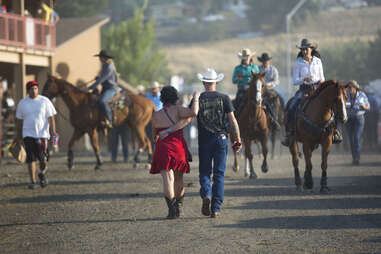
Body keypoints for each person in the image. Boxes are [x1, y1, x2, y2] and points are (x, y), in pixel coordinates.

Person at [197, 68, 242, 218]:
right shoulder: (225, 97)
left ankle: (206, 195)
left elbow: (190, 115)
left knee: (204, 172)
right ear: (216, 82)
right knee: (219, 174)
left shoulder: (199, 98)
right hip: (221, 139)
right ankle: (216, 208)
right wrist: (238, 139)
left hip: (204, 140)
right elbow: (233, 121)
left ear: (204, 82)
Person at [150, 86, 200, 219]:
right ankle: (179, 207)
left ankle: (171, 210)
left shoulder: (155, 115)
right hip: (177, 146)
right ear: (175, 97)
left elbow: (154, 135)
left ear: (162, 98)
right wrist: (195, 98)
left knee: (167, 179)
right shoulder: (178, 109)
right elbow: (194, 112)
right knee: (178, 178)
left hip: (162, 147)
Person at [282, 39, 325, 146]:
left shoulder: (317, 61)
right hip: (304, 89)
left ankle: (333, 132)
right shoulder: (298, 63)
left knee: (331, 105)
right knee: (291, 106)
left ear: (311, 49)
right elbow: (295, 81)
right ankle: (289, 133)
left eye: (306, 49)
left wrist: (321, 81)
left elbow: (322, 77)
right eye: (302, 49)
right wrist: (304, 79)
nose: (304, 51)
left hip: (317, 88)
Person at [15, 81, 57, 189]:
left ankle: (42, 173)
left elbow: (51, 117)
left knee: (43, 159)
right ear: (28, 90)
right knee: (31, 158)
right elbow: (19, 121)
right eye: (31, 89)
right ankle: (33, 181)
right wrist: (18, 136)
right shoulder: (22, 103)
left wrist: (53, 132)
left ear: (37, 89)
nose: (34, 91)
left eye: (35, 88)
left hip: (42, 135)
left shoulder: (45, 101)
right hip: (28, 134)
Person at [88, 50, 118, 128]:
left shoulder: (109, 67)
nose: (99, 59)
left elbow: (102, 79)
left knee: (102, 101)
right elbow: (102, 77)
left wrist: (91, 87)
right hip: (105, 87)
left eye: (100, 57)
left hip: (111, 88)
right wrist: (98, 77)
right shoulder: (104, 66)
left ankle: (110, 120)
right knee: (95, 100)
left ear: (104, 58)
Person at [345, 80, 370, 165]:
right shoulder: (345, 95)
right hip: (349, 119)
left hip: (359, 118)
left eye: (350, 87)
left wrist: (363, 106)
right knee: (351, 139)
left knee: (356, 137)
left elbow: (368, 107)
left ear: (355, 88)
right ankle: (354, 157)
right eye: (348, 87)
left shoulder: (362, 95)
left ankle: (357, 157)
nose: (349, 89)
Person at [258, 52, 280, 123]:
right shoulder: (258, 69)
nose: (265, 62)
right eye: (263, 61)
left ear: (268, 61)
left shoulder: (273, 70)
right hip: (260, 90)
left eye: (266, 60)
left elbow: (276, 81)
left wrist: (269, 84)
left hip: (270, 89)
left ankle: (275, 117)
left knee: (277, 99)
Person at [145, 81, 163, 152]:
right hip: (150, 119)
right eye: (152, 89)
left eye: (155, 88)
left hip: (161, 119)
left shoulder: (162, 96)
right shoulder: (148, 97)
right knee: (151, 136)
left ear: (158, 89)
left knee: (160, 136)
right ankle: (152, 153)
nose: (153, 90)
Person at [363, 85, 380, 149]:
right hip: (373, 115)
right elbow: (377, 107)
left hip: (367, 115)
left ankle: (368, 143)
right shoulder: (374, 97)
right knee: (373, 129)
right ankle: (373, 143)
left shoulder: (365, 97)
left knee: (367, 130)